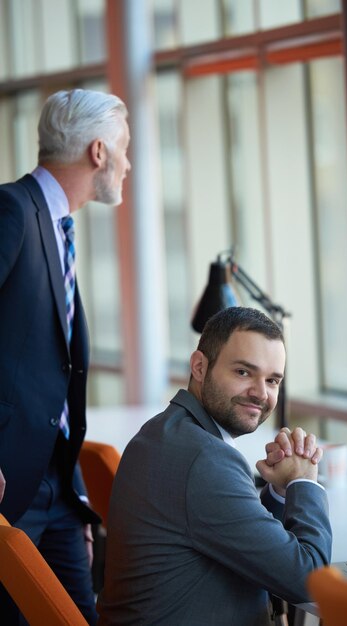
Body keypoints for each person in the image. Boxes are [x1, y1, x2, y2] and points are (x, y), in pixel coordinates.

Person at [97, 307, 332, 626]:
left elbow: (229, 533)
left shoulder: (167, 432)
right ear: (199, 366)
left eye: (273, 380)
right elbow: (312, 581)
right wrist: (304, 483)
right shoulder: (204, 459)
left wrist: (278, 490)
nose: (261, 393)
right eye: (243, 372)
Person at [0, 88, 131, 624]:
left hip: (56, 488)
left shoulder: (57, 227)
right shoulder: (11, 208)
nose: (129, 162)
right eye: (125, 147)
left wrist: (75, 497)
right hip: (9, 486)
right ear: (98, 152)